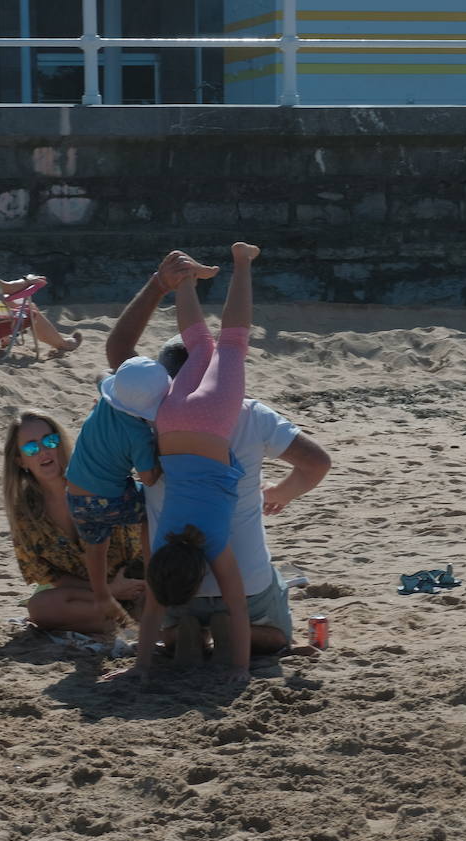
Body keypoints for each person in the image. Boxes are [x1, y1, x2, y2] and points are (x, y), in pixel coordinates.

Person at [107, 251, 331, 665]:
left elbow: (119, 350)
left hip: (178, 584)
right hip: (245, 581)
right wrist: (280, 492)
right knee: (226, 341)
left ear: (162, 378)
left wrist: (162, 284)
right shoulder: (248, 412)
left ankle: (181, 636)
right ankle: (231, 266)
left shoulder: (148, 409)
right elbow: (317, 463)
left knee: (220, 343)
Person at [129, 242, 264, 685]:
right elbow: (151, 613)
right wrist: (141, 664)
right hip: (171, 423)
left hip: (210, 423)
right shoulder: (163, 541)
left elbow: (238, 608)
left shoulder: (214, 544)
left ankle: (242, 262)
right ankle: (186, 276)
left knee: (231, 343)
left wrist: (240, 670)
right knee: (198, 346)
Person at [2, 410, 144, 633]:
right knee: (40, 606)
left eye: (50, 440)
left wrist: (123, 586)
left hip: (136, 580)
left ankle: (117, 624)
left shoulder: (94, 480)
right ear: (20, 460)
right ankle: (121, 623)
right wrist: (108, 591)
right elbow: (55, 579)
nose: (44, 451)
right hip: (89, 595)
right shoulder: (25, 513)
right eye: (31, 447)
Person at [63, 356, 167, 627]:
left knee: (95, 543)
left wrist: (113, 377)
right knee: (147, 512)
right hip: (108, 498)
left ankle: (101, 594)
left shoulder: (108, 400)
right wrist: (160, 454)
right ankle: (152, 571)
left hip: (75, 492)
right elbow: (149, 477)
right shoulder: (140, 436)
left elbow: (100, 374)